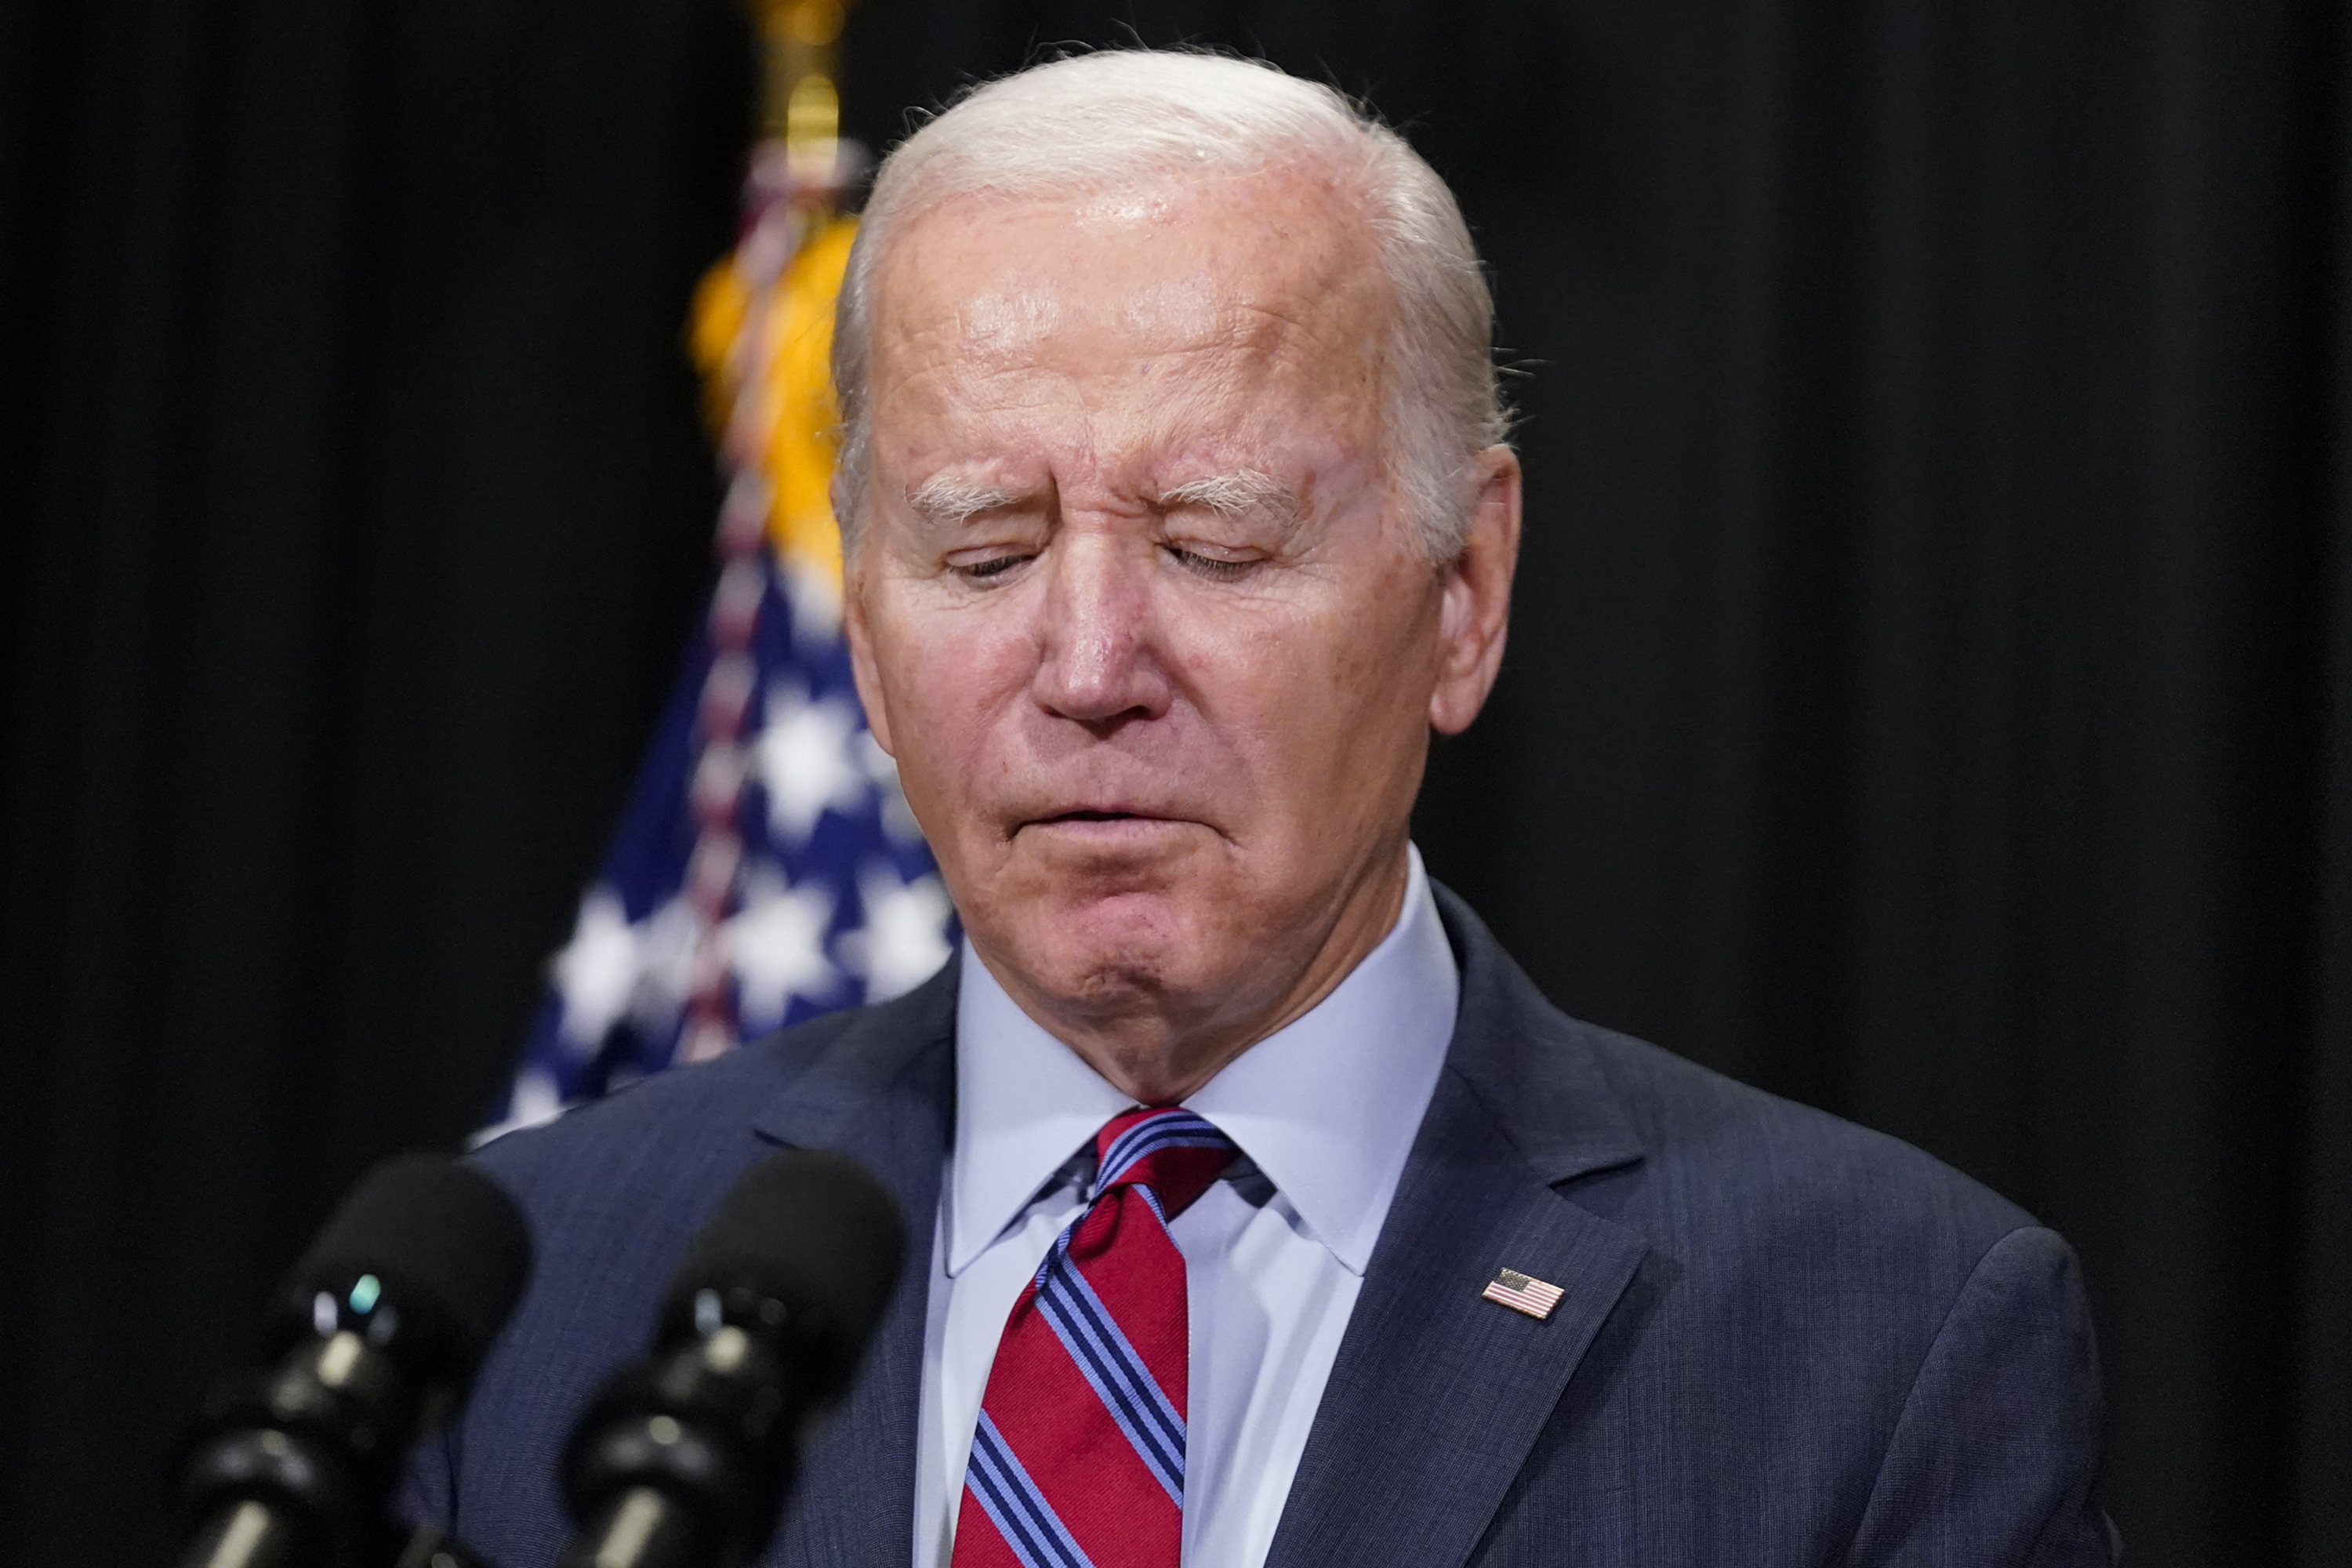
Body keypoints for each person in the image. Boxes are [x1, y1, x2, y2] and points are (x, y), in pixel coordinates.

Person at [412, 49, 2112, 1567]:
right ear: (862, 626)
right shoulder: (533, 1296)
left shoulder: (1877, 1351)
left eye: (1212, 545)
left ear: (1465, 590)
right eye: (985, 553)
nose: (1089, 667)